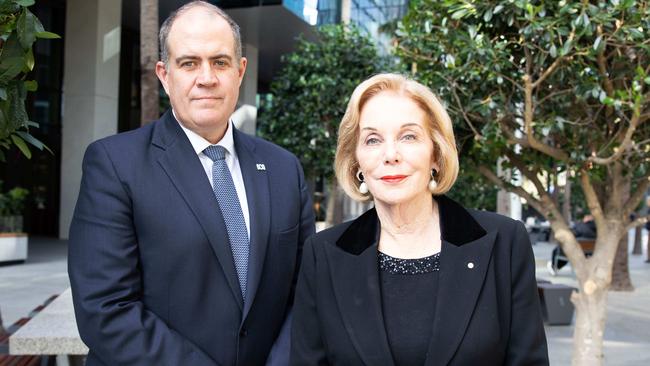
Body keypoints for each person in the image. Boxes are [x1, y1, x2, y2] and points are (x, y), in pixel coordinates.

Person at [68, 2, 314, 365]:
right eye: (189, 63)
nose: (207, 78)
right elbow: (106, 309)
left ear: (240, 70)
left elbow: (306, 292)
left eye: (220, 62)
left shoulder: (283, 168)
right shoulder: (114, 165)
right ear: (165, 75)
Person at [291, 74, 548, 365]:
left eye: (408, 136)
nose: (390, 155)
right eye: (373, 140)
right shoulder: (323, 254)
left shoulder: (505, 243)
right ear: (356, 160)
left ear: (436, 154)